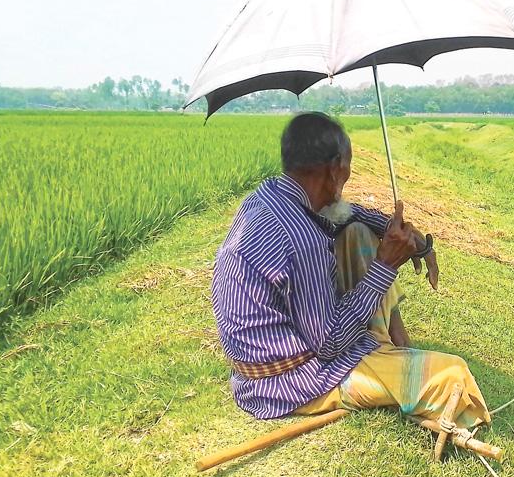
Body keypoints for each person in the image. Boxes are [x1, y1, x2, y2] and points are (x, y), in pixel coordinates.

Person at [210, 112, 490, 431]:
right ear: (333, 170)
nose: (350, 176)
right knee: (453, 375)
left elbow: (347, 214)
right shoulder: (302, 240)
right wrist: (385, 264)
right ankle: (389, 362)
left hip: (263, 364)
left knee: (358, 233)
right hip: (291, 382)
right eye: (348, 166)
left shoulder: (271, 195)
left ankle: (392, 348)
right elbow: (330, 343)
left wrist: (399, 232)